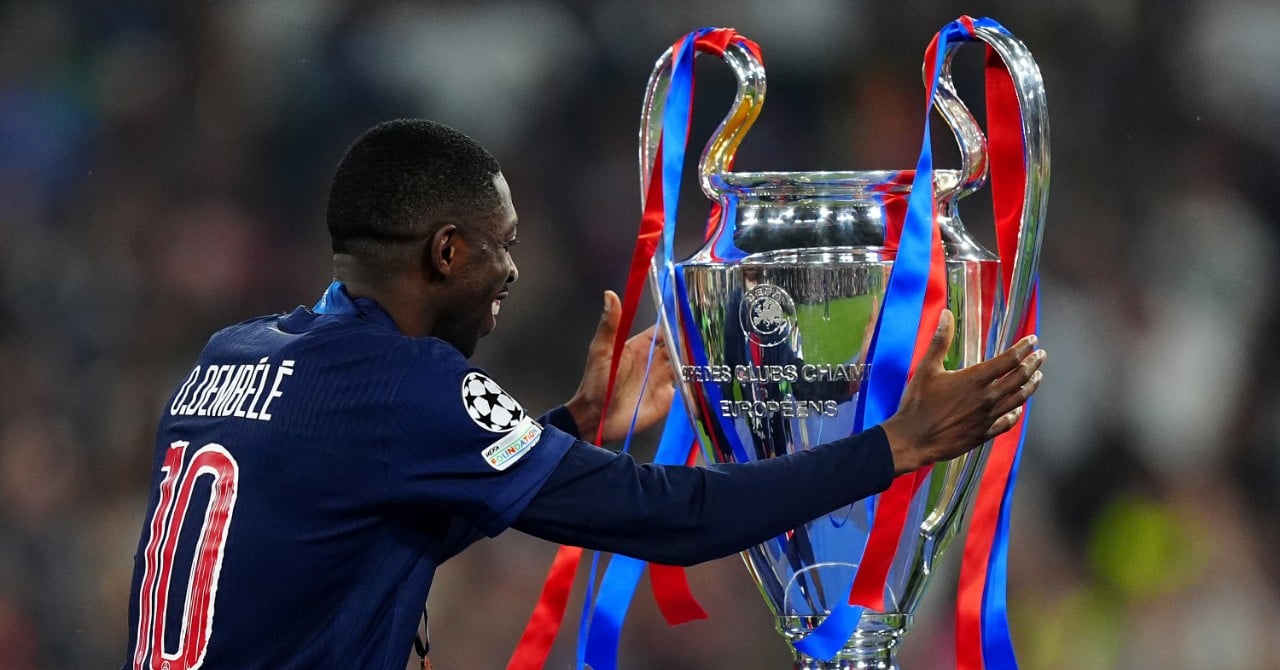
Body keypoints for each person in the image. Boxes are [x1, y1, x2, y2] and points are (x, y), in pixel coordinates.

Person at [121, 119, 1044, 669]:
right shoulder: (405, 388)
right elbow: (670, 517)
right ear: (445, 252)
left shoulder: (230, 357)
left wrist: (572, 426)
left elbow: (368, 528)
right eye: (503, 244)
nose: (514, 271)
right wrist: (896, 446)